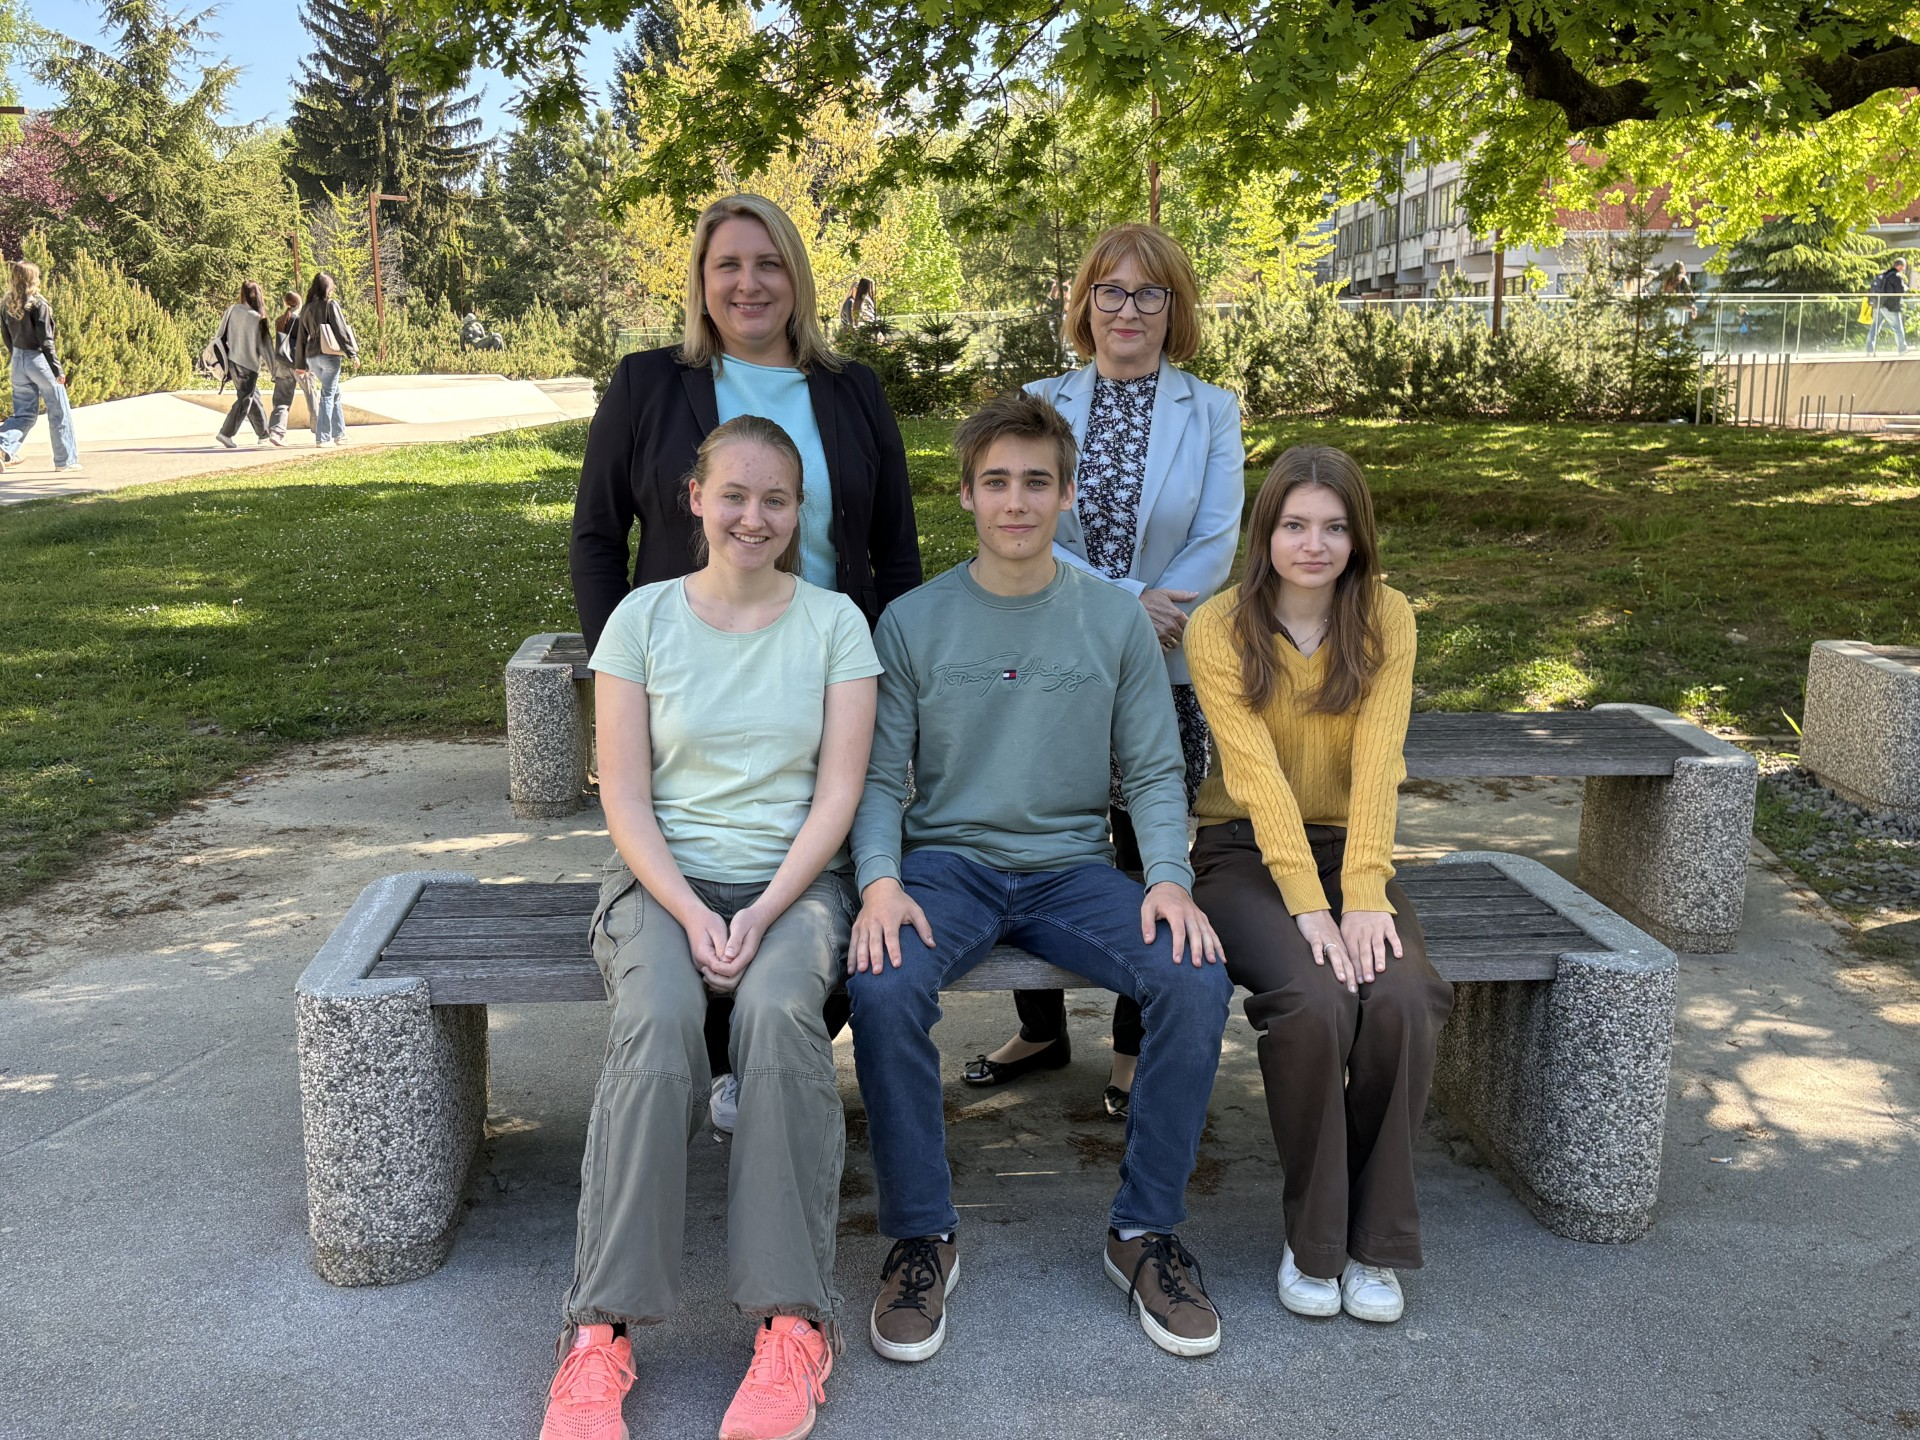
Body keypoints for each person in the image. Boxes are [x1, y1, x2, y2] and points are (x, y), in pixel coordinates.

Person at [847, 390, 1233, 1364]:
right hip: (947, 868)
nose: (1015, 501)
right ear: (966, 495)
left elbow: (1153, 770)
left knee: (1193, 974)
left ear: (1065, 495)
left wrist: (1168, 878)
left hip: (1070, 870)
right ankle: (921, 1235)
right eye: (995, 482)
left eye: (1035, 482)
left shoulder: (1112, 620)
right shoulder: (912, 622)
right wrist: (881, 881)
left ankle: (1143, 1231)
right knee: (882, 982)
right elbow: (879, 777)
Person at [540, 414, 881, 1440]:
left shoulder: (835, 624)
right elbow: (625, 796)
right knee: (656, 1024)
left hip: (795, 883)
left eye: (776, 499)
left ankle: (793, 1324)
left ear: (799, 511)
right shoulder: (641, 620)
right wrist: (691, 911)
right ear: (694, 499)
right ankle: (598, 1333)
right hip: (662, 881)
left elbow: (838, 796)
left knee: (779, 1018)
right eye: (734, 494)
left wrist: (766, 909)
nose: (753, 517)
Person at [571, 192, 923, 1135]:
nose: (748, 283)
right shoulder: (649, 383)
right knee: (699, 861)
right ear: (700, 280)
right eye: (727, 264)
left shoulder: (851, 391)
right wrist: (631, 670)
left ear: (796, 276)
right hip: (693, 681)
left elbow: (894, 551)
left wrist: (891, 687)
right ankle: (716, 1058)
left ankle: (759, 1058)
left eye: (768, 263)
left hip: (824, 681)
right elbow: (598, 539)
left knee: (820, 869)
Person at [966, 224, 1243, 1122]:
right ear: (1084, 303)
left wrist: (1155, 614)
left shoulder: (1212, 411)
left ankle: (1130, 1047)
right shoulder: (1041, 401)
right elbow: (1028, 525)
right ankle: (1040, 1030)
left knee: (1139, 850)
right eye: (1110, 291)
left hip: (1165, 660)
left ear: (1175, 307)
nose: (1128, 309)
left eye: (1149, 293)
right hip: (1053, 650)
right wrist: (1127, 601)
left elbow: (1217, 538)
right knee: (1031, 829)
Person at [1184, 444, 1452, 1327]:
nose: (1314, 544)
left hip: (1351, 852)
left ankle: (1377, 1244)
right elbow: (1255, 778)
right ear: (1264, 533)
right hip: (1242, 854)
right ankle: (1317, 1242)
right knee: (1315, 998)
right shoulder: (1219, 626)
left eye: (1334, 527)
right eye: (1295, 525)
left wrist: (1363, 892)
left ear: (1358, 537)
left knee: (1403, 996)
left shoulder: (1387, 617)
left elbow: (1379, 763)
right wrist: (1309, 908)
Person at [0, 259, 80, 474]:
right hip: (38, 360)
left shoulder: (6, 304)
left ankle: (3, 444)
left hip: (17, 360)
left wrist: (17, 358)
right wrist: (57, 370)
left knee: (24, 414)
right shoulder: (39, 304)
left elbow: (6, 337)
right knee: (59, 410)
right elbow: (46, 341)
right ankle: (65, 461)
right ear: (33, 278)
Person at [292, 271, 358, 446]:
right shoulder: (330, 305)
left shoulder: (306, 308)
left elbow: (301, 338)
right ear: (327, 288)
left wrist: (300, 364)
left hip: (312, 358)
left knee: (334, 393)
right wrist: (352, 354)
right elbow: (340, 330)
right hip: (329, 356)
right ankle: (323, 437)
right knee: (328, 395)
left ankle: (340, 434)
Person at [211, 280, 273, 449]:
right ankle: (226, 433)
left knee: (253, 398)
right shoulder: (258, 318)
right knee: (245, 400)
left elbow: (219, 334)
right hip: (249, 365)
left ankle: (264, 435)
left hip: (232, 362)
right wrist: (274, 370)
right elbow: (266, 346)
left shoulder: (232, 310)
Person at [266, 290, 315, 447]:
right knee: (311, 396)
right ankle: (320, 430)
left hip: (282, 364)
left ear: (286, 304)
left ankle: (276, 432)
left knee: (281, 401)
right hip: (300, 365)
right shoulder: (302, 320)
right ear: (300, 303)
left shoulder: (280, 320)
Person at [1868, 258, 1908, 356]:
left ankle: (1869, 350)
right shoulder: (1896, 276)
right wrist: (1905, 288)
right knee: (1897, 328)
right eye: (1903, 267)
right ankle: (1902, 349)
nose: (1903, 269)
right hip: (1890, 307)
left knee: (1874, 327)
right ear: (1900, 266)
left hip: (1878, 305)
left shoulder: (1883, 275)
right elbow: (1900, 290)